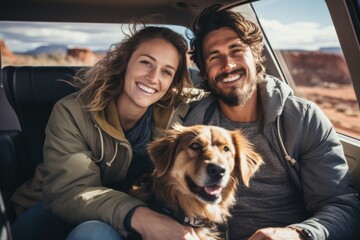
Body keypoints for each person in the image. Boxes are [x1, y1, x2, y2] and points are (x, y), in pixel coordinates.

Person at [184, 4, 360, 240]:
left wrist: (297, 234)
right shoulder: (191, 123)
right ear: (204, 72)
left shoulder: (304, 119)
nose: (228, 65)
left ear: (255, 56)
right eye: (215, 57)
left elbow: (343, 207)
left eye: (236, 51)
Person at [12, 24, 203, 240]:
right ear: (125, 63)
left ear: (172, 83)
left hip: (123, 214)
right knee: (94, 233)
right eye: (146, 62)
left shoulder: (176, 111)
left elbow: (218, 93)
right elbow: (70, 191)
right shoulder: (72, 112)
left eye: (166, 71)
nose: (153, 77)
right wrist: (143, 217)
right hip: (52, 209)